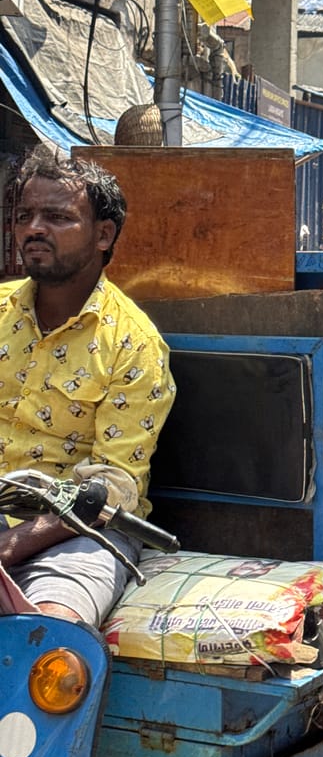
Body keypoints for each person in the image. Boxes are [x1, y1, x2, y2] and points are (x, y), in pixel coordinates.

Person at [0, 146, 176, 626]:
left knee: (53, 638)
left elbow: (112, 490)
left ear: (103, 235)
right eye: (24, 215)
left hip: (76, 535)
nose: (34, 228)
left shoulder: (133, 344)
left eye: (57, 216)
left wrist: (11, 545)